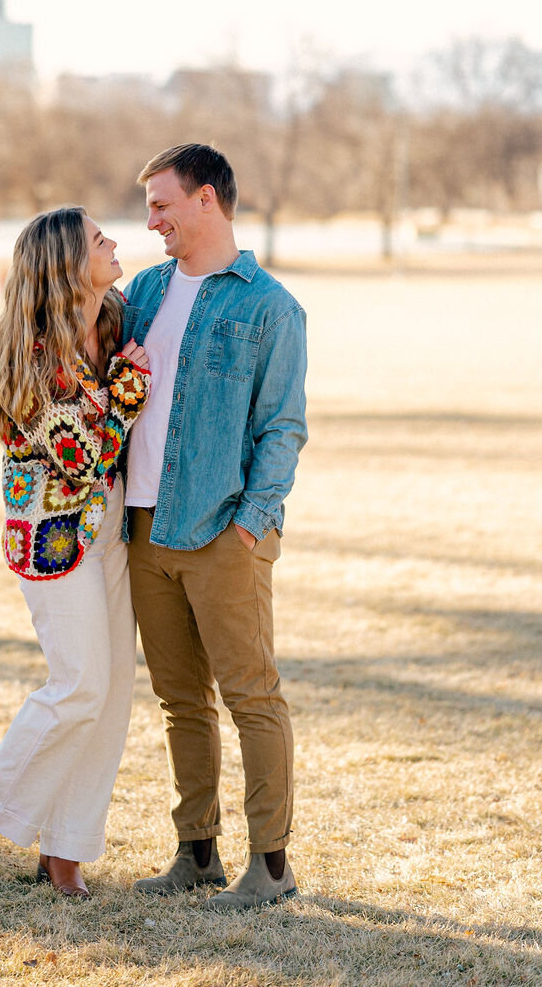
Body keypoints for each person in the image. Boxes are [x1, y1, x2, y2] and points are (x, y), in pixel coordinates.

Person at [0, 206, 151, 899]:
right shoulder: (34, 358)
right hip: (52, 532)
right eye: (97, 238)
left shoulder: (113, 314)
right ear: (65, 265)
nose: (114, 241)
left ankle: (67, 852)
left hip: (109, 522)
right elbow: (84, 458)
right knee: (79, 682)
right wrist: (127, 390)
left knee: (113, 691)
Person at [122, 144, 307, 911]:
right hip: (142, 529)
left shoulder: (271, 306)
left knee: (251, 695)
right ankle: (196, 850)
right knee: (180, 700)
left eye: (162, 204)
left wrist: (251, 523)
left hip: (224, 532)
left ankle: (270, 867)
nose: (152, 221)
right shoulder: (144, 290)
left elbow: (283, 427)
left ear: (206, 199)